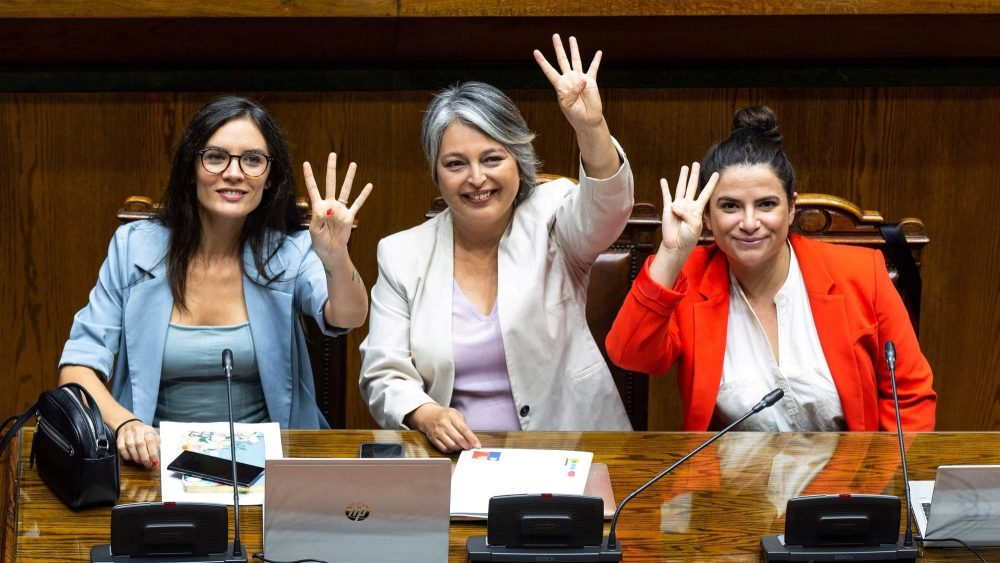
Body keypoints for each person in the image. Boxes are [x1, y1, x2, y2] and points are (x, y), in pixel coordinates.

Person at [58, 96, 373, 468]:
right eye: (216, 156)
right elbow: (76, 370)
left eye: (253, 160)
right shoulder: (134, 248)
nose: (235, 173)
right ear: (191, 168)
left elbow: (348, 316)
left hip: (272, 466)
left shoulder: (290, 252)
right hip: (153, 464)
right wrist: (126, 424)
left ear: (270, 178)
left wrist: (336, 254)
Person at [359, 34, 633, 453]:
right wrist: (425, 413)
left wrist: (590, 126)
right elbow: (383, 372)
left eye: (492, 158)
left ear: (518, 161)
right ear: (436, 173)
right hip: (454, 458)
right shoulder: (401, 254)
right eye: (455, 164)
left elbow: (608, 210)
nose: (476, 178)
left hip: (573, 446)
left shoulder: (553, 212)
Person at [606, 106, 936, 432]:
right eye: (730, 206)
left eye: (766, 204)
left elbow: (910, 397)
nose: (749, 223)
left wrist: (883, 480)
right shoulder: (689, 278)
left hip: (847, 479)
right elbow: (630, 354)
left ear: (792, 208)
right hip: (731, 480)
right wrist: (671, 253)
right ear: (707, 217)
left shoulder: (862, 273)